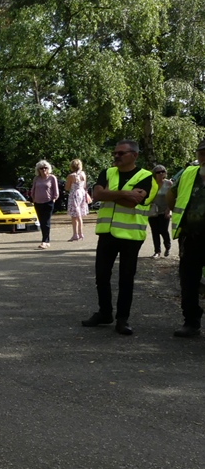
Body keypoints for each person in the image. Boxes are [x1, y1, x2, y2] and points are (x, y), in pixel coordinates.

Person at [81, 140, 157, 336]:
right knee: (101, 276)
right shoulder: (107, 172)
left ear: (134, 155)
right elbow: (97, 194)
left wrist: (110, 194)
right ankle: (105, 313)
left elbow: (134, 202)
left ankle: (123, 319)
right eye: (115, 153)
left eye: (121, 153)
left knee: (126, 278)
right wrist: (124, 193)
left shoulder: (146, 176)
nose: (116, 156)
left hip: (131, 235)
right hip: (107, 232)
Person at [166, 141, 205, 337]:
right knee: (188, 281)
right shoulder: (189, 173)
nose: (204, 157)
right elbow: (170, 194)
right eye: (202, 153)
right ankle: (191, 322)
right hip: (190, 237)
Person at [30, 160, 59, 248]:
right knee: (42, 222)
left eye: (45, 168)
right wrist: (33, 199)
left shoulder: (52, 178)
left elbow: (56, 191)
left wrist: (53, 199)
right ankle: (46, 240)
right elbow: (33, 190)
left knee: (46, 222)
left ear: (48, 168)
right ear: (38, 170)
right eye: (41, 168)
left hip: (48, 202)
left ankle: (45, 241)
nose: (43, 170)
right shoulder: (36, 179)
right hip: (38, 202)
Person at [146, 164, 173, 259]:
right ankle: (157, 251)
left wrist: (168, 210)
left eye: (163, 171)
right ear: (154, 174)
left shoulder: (169, 183)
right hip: (153, 212)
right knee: (155, 232)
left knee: (163, 230)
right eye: (158, 172)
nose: (161, 173)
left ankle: (167, 246)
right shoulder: (151, 184)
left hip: (164, 211)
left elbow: (172, 198)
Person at [65, 159, 89, 241]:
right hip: (82, 193)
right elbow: (84, 185)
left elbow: (67, 187)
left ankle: (76, 234)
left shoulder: (71, 176)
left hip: (74, 194)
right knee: (79, 215)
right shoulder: (83, 174)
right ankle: (80, 233)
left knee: (74, 216)